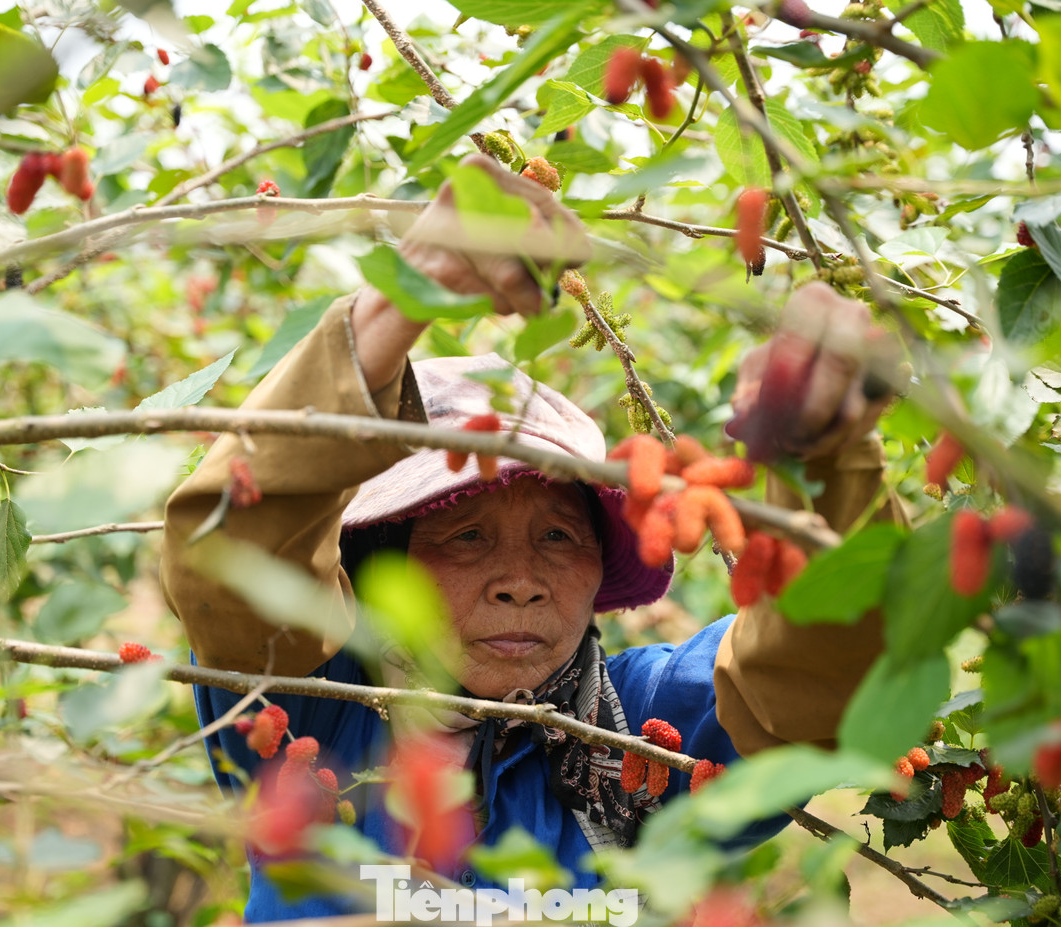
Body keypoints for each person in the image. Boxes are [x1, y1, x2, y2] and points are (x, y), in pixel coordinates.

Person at [159, 154, 904, 922]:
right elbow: (236, 565)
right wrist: (393, 307)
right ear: (386, 568)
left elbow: (807, 681)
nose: (522, 579)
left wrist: (826, 470)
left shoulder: (643, 734)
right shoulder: (317, 709)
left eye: (557, 535)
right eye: (467, 535)